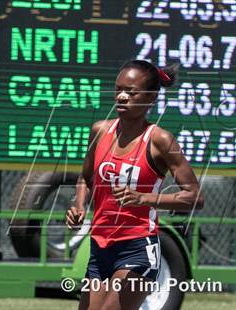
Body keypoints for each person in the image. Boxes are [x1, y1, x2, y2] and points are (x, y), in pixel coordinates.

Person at [66, 60, 204, 310]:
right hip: (100, 246)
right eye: (118, 89)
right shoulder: (100, 131)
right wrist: (79, 206)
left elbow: (195, 196)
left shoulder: (160, 140)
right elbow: (85, 178)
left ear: (151, 98)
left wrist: (145, 199)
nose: (121, 96)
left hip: (138, 248)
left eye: (131, 92)